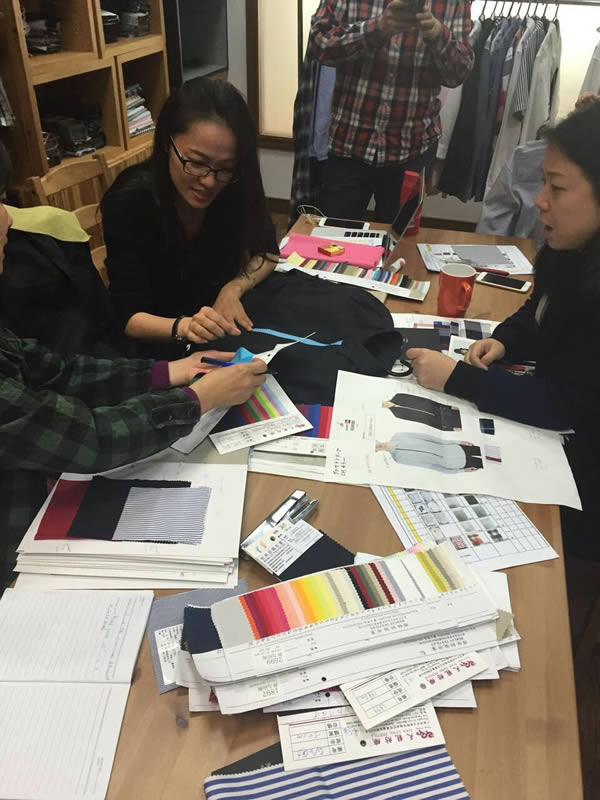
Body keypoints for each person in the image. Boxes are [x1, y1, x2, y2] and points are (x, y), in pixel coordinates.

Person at [0, 197, 267, 589]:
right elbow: (89, 438)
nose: (8, 219)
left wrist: (168, 372)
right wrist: (197, 400)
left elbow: (57, 372)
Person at [405, 101, 600, 557]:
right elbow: (539, 310)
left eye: (557, 187)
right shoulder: (572, 251)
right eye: (543, 182)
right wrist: (505, 340)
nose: (539, 200)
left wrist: (456, 378)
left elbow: (567, 405)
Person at [101, 77, 279, 358]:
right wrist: (185, 327)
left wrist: (233, 288)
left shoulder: (233, 186)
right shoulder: (130, 201)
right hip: (159, 346)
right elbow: (128, 318)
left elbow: (267, 251)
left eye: (225, 168)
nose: (209, 181)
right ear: (166, 143)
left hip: (217, 331)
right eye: (196, 163)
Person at [311, 0, 473, 223]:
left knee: (398, 241)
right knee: (335, 238)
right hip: (349, 144)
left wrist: (438, 35)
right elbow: (319, 44)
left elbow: (459, 74)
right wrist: (377, 29)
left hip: (413, 148)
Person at [375, 433, 482, 472]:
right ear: (377, 452)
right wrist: (461, 471)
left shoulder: (398, 436)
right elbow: (431, 466)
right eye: (376, 449)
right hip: (458, 465)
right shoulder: (398, 459)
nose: (378, 446)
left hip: (458, 448)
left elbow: (429, 438)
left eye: (376, 443)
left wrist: (458, 442)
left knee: (488, 454)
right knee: (486, 465)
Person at [382, 393, 462, 430]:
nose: (384, 404)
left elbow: (421, 399)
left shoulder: (398, 396)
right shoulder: (396, 414)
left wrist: (448, 407)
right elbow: (417, 420)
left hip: (439, 408)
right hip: (435, 422)